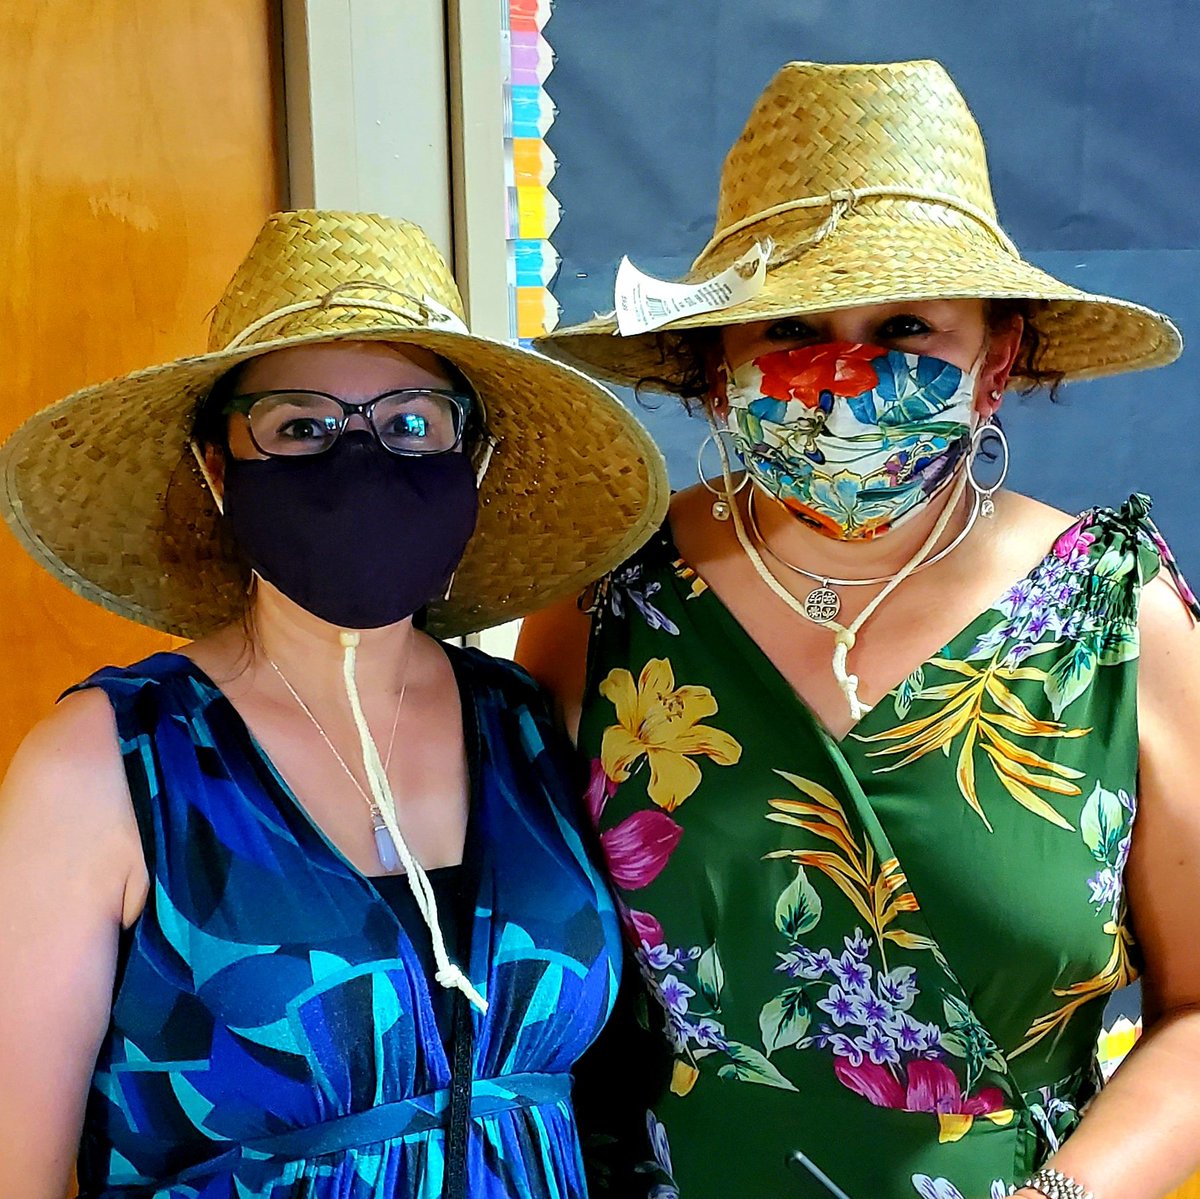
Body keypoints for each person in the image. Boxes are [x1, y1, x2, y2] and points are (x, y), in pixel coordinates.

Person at [519, 60, 1200, 1199]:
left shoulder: (1118, 618)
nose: (842, 378)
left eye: (903, 328)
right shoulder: (611, 598)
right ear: (714, 367)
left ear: (998, 357)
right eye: (790, 324)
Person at [0, 209, 669, 1198]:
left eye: (410, 423)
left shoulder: (529, 724)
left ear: (468, 459)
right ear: (218, 467)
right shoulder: (109, 766)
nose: (361, 460)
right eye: (301, 426)